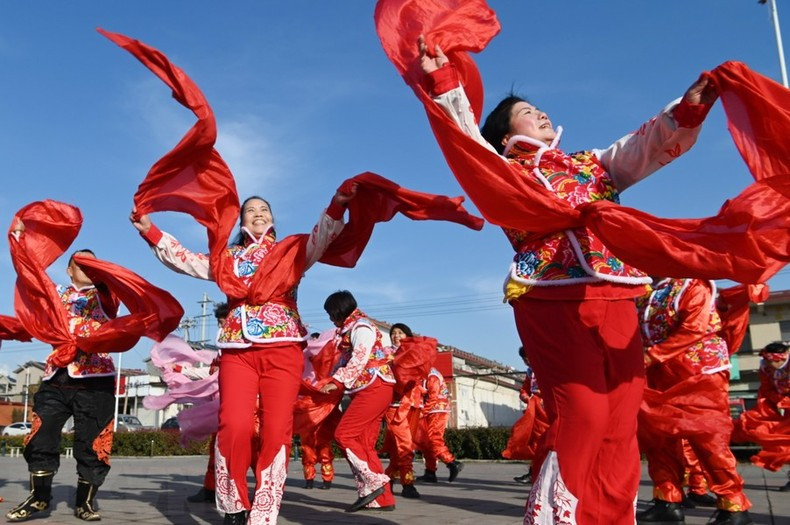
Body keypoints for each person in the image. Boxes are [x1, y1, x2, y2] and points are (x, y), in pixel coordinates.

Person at [417, 36, 716, 524]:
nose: (540, 115)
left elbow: (643, 148)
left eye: (540, 109)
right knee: (584, 413)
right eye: (527, 111)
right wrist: (443, 79)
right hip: (549, 295)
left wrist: (687, 109)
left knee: (621, 421)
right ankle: (555, 516)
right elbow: (464, 138)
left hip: (617, 291)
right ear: (504, 133)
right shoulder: (501, 170)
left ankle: (613, 518)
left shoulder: (589, 163)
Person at [131, 190, 354, 525]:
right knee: (233, 426)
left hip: (283, 348)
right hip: (237, 351)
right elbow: (185, 259)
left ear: (273, 219)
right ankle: (233, 502)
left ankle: (264, 511)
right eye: (250, 211)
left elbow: (323, 235)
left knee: (276, 430)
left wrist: (338, 203)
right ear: (241, 220)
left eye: (264, 209)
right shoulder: (227, 258)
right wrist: (150, 229)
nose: (258, 214)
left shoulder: (291, 252)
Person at [5, 246, 116, 523]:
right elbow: (31, 276)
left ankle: (85, 503)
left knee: (92, 443)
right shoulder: (57, 295)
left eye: (94, 266)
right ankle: (40, 498)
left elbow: (113, 296)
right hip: (56, 376)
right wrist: (19, 240)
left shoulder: (106, 294)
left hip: (95, 379)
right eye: (81, 265)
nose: (88, 269)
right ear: (69, 270)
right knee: (40, 436)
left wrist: (102, 278)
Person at [636, 278, 753, 525]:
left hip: (700, 373)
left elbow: (694, 328)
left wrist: (651, 355)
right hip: (660, 375)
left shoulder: (693, 286)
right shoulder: (647, 290)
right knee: (659, 437)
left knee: (708, 439)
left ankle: (733, 506)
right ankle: (668, 501)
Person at [320, 290, 397, 512]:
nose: (329, 319)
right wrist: (329, 380)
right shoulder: (351, 329)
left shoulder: (361, 327)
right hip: (370, 388)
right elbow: (344, 362)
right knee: (364, 445)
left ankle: (374, 481)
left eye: (330, 314)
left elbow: (359, 357)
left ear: (338, 311)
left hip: (375, 387)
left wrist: (337, 382)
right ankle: (381, 500)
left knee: (343, 435)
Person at [733, 341, 789, 492]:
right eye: (770, 361)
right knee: (773, 434)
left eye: (776, 361)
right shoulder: (765, 367)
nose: (773, 364)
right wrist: (778, 401)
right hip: (781, 403)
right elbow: (766, 388)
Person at [186, 302, 228, 504]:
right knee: (216, 448)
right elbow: (212, 373)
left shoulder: (242, 347)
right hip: (220, 407)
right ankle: (211, 489)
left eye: (223, 322)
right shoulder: (222, 352)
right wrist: (183, 371)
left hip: (245, 407)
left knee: (251, 451)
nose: (221, 328)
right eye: (220, 323)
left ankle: (269, 490)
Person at [380, 323, 422, 498]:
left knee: (403, 447)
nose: (396, 336)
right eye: (393, 333)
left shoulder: (414, 352)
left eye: (400, 333)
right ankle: (408, 484)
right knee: (404, 445)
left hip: (412, 404)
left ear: (407, 335)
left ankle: (386, 480)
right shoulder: (385, 353)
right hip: (395, 406)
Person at [502, 347, 547, 486]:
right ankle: (534, 472)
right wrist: (524, 396)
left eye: (528, 359)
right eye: (525, 361)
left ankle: (544, 473)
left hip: (548, 411)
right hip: (535, 411)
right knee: (535, 442)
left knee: (547, 442)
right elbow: (525, 389)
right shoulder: (530, 373)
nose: (527, 363)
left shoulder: (548, 367)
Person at [413, 362, 462, 484]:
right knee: (426, 442)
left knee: (433, 439)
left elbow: (433, 396)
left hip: (436, 411)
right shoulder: (428, 374)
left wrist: (422, 412)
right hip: (432, 411)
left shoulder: (432, 375)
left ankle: (452, 463)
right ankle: (430, 472)